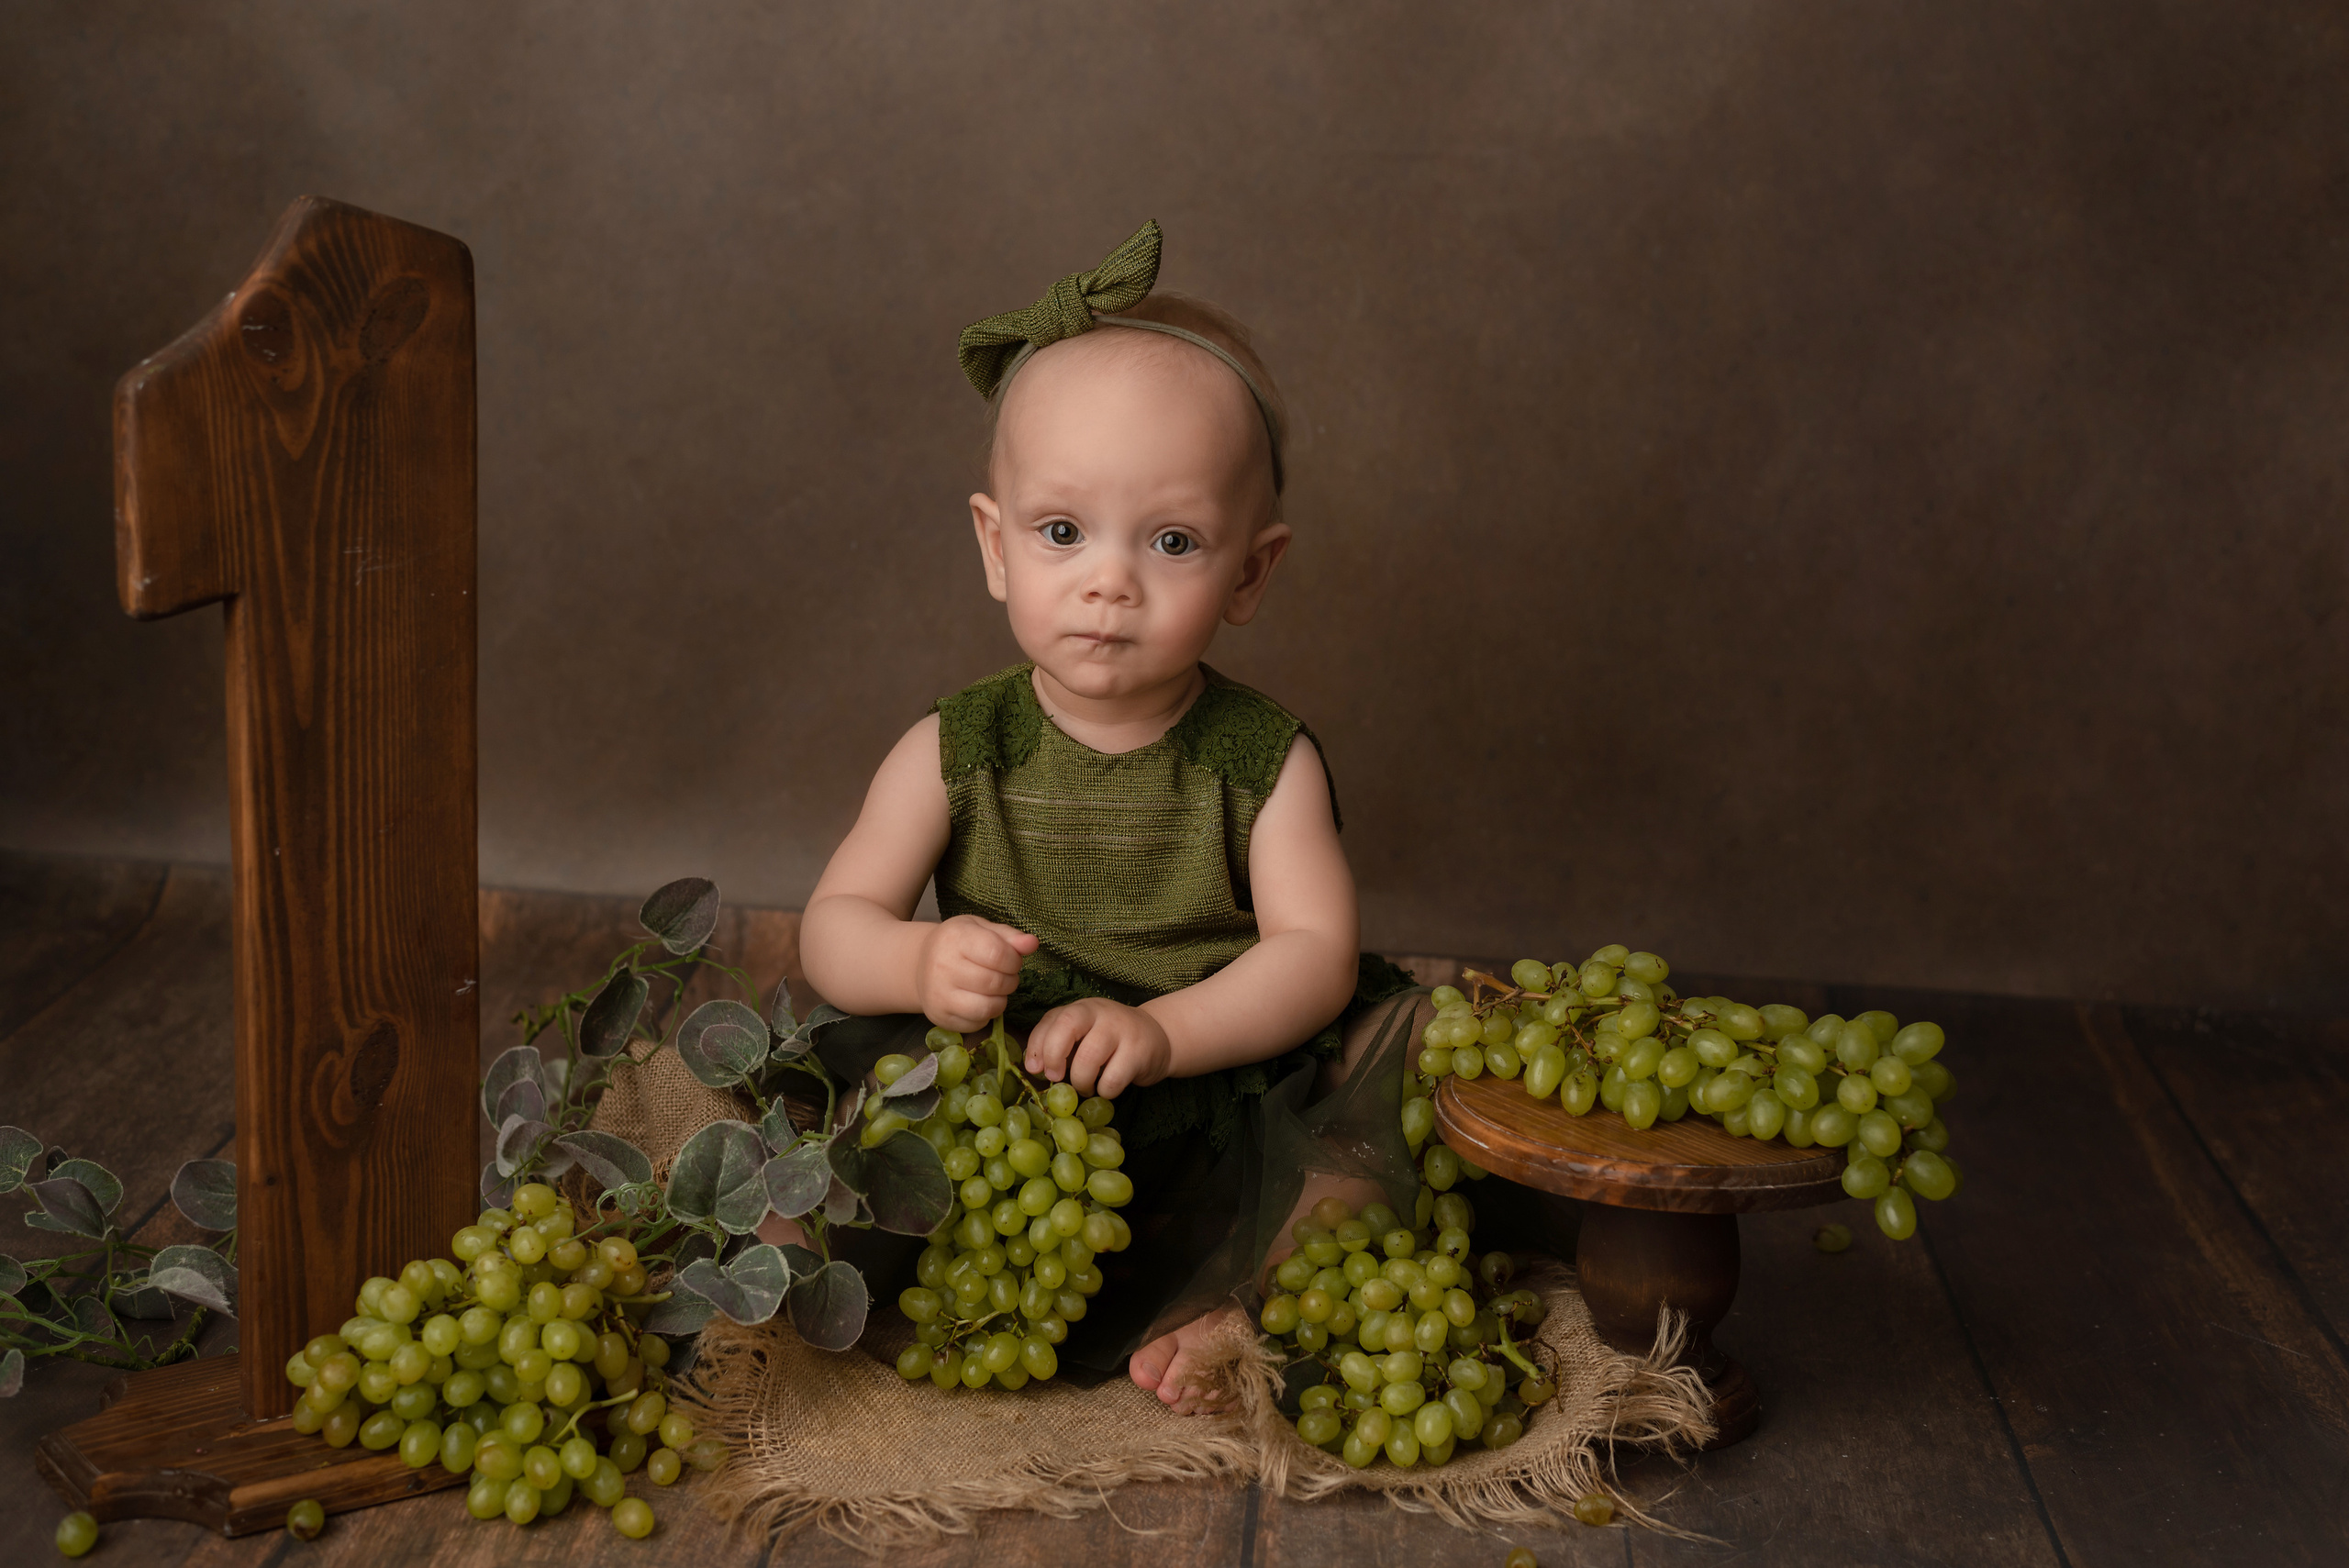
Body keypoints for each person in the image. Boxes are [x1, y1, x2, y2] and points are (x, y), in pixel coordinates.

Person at [789, 222, 1419, 1413]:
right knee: (854, 1135)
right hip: (1016, 1093)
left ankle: (1253, 1301)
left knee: (1386, 1095)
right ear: (995, 544)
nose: (1107, 579)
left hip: (1214, 1077)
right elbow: (833, 923)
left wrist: (1169, 1033)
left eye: (1172, 540)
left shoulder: (1262, 761)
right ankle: (933, 1279)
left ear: (1250, 572)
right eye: (1061, 531)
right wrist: (920, 955)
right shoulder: (952, 748)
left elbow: (1316, 955)